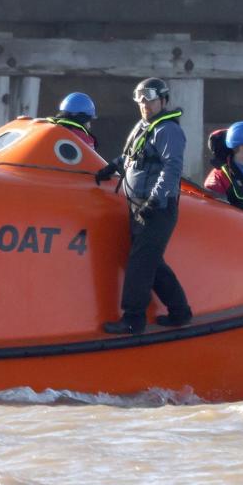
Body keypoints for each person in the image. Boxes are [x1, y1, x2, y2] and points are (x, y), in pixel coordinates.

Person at [94, 78, 192, 334]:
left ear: (163, 100)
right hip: (138, 205)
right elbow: (131, 155)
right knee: (151, 261)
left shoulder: (168, 130)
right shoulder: (144, 126)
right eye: (140, 100)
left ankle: (133, 319)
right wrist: (111, 167)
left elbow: (172, 169)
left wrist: (155, 201)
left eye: (149, 99)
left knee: (139, 262)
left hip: (157, 208)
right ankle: (180, 312)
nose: (144, 104)